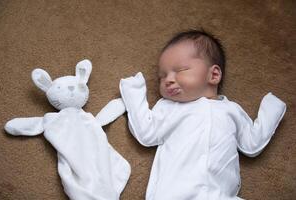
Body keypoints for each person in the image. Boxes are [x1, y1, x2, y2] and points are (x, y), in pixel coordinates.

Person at [119, 29, 287, 200]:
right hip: (176, 193)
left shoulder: (231, 110)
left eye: (180, 70)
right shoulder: (170, 108)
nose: (168, 80)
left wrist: (271, 111)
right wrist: (134, 93)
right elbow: (146, 133)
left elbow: (252, 144)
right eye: (161, 77)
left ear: (213, 75)